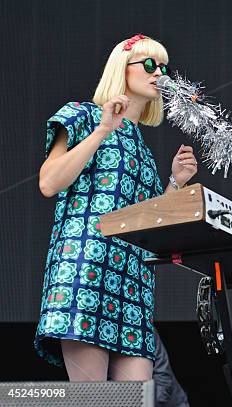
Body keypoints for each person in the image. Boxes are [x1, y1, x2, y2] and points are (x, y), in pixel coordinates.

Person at [35, 34, 198, 382]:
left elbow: (150, 222)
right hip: (87, 269)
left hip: (133, 285)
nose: (160, 75)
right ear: (121, 69)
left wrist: (176, 183)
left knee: (137, 398)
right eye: (151, 65)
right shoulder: (83, 115)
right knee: (92, 400)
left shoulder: (144, 152)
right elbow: (49, 183)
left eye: (165, 67)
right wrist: (101, 130)